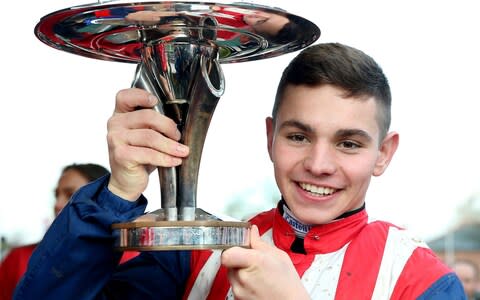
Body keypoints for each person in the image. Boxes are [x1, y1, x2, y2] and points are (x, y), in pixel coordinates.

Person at [14, 43, 466, 299]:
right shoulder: (198, 253)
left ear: (384, 153)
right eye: (298, 136)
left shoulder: (420, 278)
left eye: (349, 143)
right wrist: (118, 191)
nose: (319, 165)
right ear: (270, 137)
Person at [0, 163, 136, 300]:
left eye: (71, 194)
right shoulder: (19, 258)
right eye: (56, 195)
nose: (57, 204)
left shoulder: (133, 259)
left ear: (102, 199)